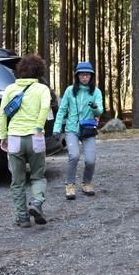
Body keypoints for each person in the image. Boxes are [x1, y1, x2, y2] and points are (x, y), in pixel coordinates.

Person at [0, 54, 53, 228]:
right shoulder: (42, 89)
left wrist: (3, 136)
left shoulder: (9, 89)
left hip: (14, 138)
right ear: (39, 71)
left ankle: (22, 218)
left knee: (17, 181)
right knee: (38, 176)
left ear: (20, 71)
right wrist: (38, 127)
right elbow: (45, 108)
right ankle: (36, 202)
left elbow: (3, 114)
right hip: (35, 137)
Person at [53, 61, 104, 200]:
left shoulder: (96, 92)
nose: (85, 78)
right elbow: (62, 110)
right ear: (77, 76)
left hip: (88, 129)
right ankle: (70, 185)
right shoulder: (70, 91)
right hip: (72, 129)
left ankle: (86, 184)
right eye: (82, 75)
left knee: (90, 160)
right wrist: (57, 128)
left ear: (91, 76)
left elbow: (100, 110)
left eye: (87, 75)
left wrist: (94, 107)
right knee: (74, 156)